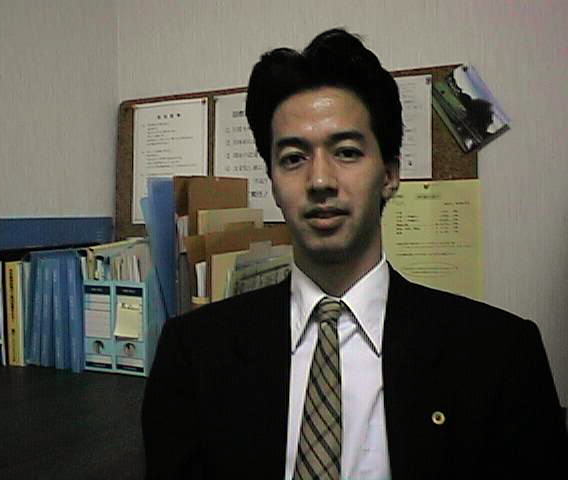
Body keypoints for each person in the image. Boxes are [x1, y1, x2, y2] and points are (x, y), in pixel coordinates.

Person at [142, 29, 567, 480]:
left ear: (389, 175)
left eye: (346, 152)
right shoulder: (192, 352)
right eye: (293, 158)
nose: (319, 180)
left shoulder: (500, 355)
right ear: (274, 185)